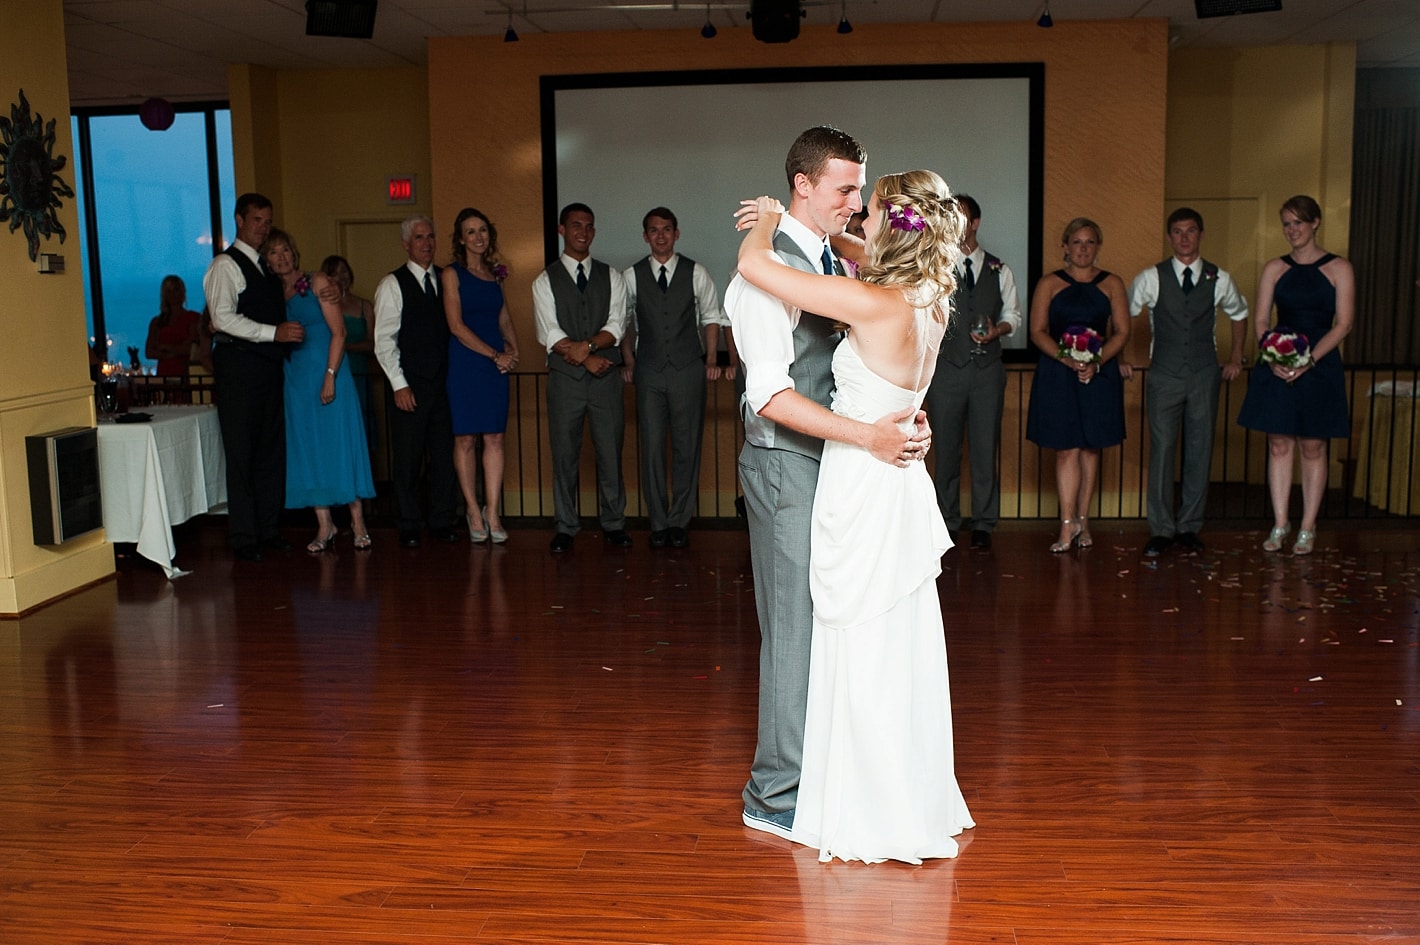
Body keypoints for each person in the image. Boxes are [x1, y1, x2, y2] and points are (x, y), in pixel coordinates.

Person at [737, 169, 975, 864]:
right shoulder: (928, 296)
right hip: (897, 477)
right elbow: (849, 248)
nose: (856, 217)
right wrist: (828, 228)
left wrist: (771, 215)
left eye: (867, 210)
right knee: (896, 634)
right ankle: (900, 785)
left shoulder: (874, 303)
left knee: (858, 636)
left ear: (892, 226)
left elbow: (756, 263)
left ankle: (864, 798)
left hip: (861, 474)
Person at [1236, 195, 1354, 556]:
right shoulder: (1275, 268)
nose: (1292, 230)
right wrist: (1271, 355)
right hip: (1278, 359)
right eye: (1286, 224)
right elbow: (1259, 320)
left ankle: (1307, 527)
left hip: (1319, 364)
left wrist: (1309, 361)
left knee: (1314, 446)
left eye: (1298, 223)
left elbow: (1344, 324)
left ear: (1315, 223)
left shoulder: (1340, 268)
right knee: (1278, 443)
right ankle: (1280, 522)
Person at [1129, 208, 1249, 557]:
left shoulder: (1219, 278)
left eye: (1191, 231)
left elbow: (1239, 313)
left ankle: (1190, 527)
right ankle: (1162, 529)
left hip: (1203, 372)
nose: (1184, 237)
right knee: (1163, 450)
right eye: (1178, 231)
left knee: (1200, 448)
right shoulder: (1152, 277)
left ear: (1201, 234)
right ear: (1170, 237)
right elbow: (1124, 313)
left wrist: (1236, 357)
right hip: (1164, 373)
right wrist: (1126, 358)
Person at [203, 193, 305, 562]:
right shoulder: (224, 266)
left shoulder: (263, 269)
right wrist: (273, 332)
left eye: (267, 220)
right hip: (240, 366)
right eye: (257, 220)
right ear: (239, 220)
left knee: (268, 450)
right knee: (242, 451)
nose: (263, 227)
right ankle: (244, 536)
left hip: (266, 368)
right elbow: (223, 318)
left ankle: (268, 528)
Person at [1024, 217, 1133, 553]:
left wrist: (1096, 362)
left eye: (1089, 242)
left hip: (1098, 375)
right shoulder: (1049, 284)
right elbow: (1037, 330)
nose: (1083, 249)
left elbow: (1122, 331)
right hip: (1059, 373)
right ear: (1066, 246)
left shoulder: (1112, 283)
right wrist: (1067, 358)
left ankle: (1084, 521)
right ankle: (1067, 523)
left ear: (1097, 247)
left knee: (1090, 447)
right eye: (1077, 242)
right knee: (1065, 448)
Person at [264, 230, 374, 553]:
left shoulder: (317, 282)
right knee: (308, 447)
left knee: (340, 443)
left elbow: (339, 332)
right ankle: (325, 524)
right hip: (295, 379)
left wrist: (330, 375)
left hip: (329, 372)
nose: (281, 257)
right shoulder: (272, 293)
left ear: (294, 253)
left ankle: (358, 522)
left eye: (286, 250)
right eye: (274, 253)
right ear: (267, 261)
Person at [619, 207, 723, 550]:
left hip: (687, 369)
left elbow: (710, 317)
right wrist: (629, 360)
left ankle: (680, 520)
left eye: (666, 229)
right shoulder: (631, 276)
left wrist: (709, 359)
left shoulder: (696, 272)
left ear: (676, 234)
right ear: (645, 236)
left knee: (686, 445)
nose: (660, 235)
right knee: (650, 447)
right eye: (654, 230)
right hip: (648, 370)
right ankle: (658, 522)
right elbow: (623, 321)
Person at [924, 194, 1022, 551]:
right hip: (946, 371)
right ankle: (946, 521)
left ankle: (984, 521)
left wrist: (999, 330)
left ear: (975, 223)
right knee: (945, 450)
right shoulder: (935, 268)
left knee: (984, 449)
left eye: (961, 218)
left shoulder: (1000, 269)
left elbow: (1014, 315)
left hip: (987, 371)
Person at [532, 202, 631, 552]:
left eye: (588, 226)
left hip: (605, 380)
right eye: (575, 225)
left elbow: (616, 327)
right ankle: (565, 525)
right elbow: (549, 332)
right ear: (562, 230)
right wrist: (587, 358)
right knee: (564, 454)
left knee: (610, 452)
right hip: (566, 381)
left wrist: (586, 348)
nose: (582, 232)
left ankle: (614, 523)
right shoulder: (545, 280)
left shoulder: (613, 276)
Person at [373, 214, 461, 548]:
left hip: (444, 385)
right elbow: (384, 340)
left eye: (430, 237)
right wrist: (399, 384)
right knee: (408, 458)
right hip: (411, 386)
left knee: (442, 456)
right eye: (419, 238)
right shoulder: (392, 284)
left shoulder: (446, 278)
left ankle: (441, 520)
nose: (427, 243)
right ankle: (408, 522)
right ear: (406, 244)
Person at [443, 207, 520, 544]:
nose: (478, 237)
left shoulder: (496, 274)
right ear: (461, 238)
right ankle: (472, 509)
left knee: (495, 437)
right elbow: (456, 326)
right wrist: (495, 354)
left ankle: (492, 510)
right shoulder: (451, 273)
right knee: (465, 439)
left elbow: (503, 318)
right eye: (471, 231)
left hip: (495, 365)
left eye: (483, 230)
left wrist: (513, 352)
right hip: (466, 362)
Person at [320, 255, 377, 447]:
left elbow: (373, 343)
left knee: (363, 427)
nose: (340, 277)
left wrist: (346, 346)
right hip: (333, 374)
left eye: (344, 271)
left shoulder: (365, 306)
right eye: (334, 273)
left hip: (360, 373)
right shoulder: (324, 305)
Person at [145, 275, 202, 377]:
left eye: (176, 290)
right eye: (169, 291)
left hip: (185, 372)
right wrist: (175, 351)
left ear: (183, 292)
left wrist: (165, 348)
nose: (173, 295)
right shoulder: (157, 322)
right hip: (165, 373)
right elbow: (149, 352)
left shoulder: (194, 318)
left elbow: (193, 348)